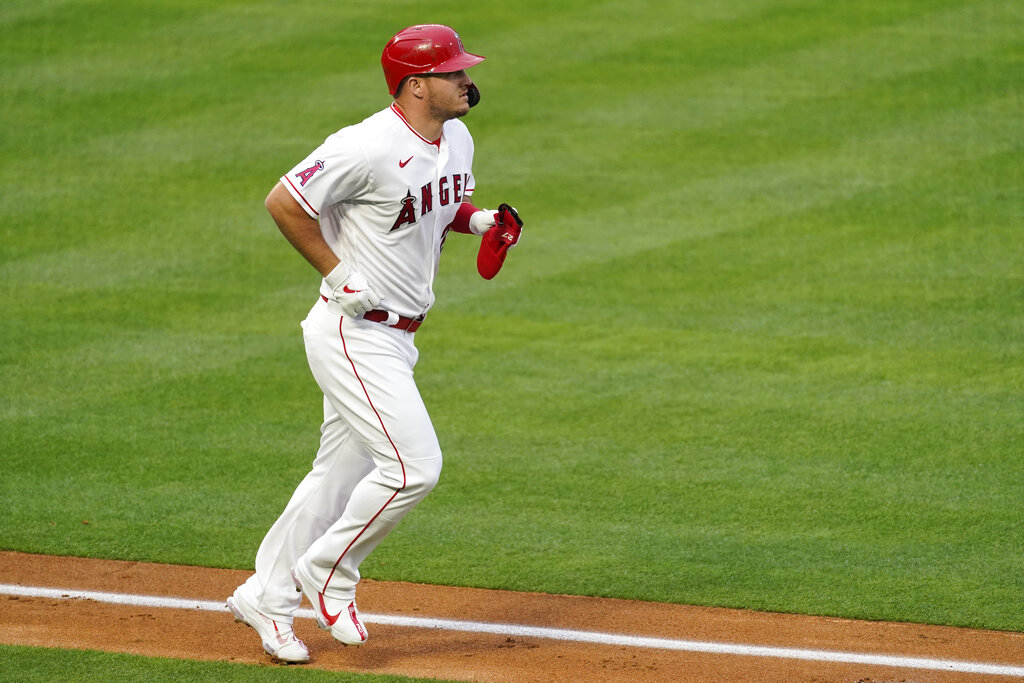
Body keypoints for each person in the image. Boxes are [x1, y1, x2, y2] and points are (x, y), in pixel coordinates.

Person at [225, 24, 523, 663]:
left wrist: (482, 222)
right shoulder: (363, 146)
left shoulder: (457, 137)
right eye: (454, 73)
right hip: (351, 332)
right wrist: (338, 272)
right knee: (414, 467)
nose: (468, 80)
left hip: (399, 339)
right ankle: (330, 571)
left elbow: (440, 207)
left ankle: (267, 598)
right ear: (417, 85)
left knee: (334, 481)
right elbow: (284, 202)